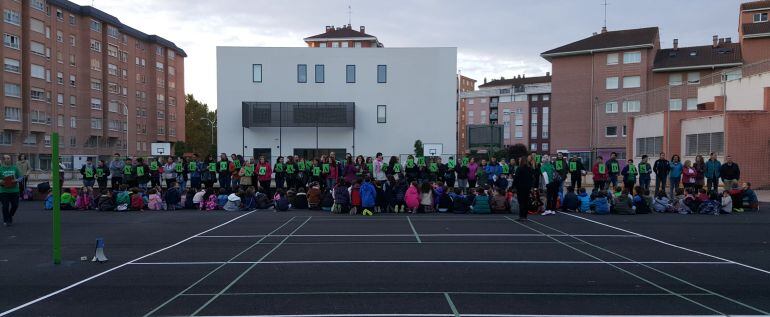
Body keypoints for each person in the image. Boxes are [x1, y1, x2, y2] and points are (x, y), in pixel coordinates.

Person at [1, 155, 23, 226]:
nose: (8, 159)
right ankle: (6, 220)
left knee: (15, 205)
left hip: (14, 190)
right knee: (5, 206)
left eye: (9, 158)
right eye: (6, 158)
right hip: (4, 191)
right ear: (3, 160)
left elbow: (21, 177)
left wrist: (16, 180)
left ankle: (10, 216)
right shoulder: (0, 168)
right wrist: (0, 181)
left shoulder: (14, 168)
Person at [511, 156, 534, 221]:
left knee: (521, 202)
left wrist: (513, 186)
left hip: (520, 187)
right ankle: (525, 216)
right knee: (526, 201)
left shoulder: (519, 168)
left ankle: (521, 216)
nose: (519, 161)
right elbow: (532, 178)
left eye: (519, 160)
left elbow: (516, 178)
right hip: (527, 187)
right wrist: (531, 186)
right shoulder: (529, 168)